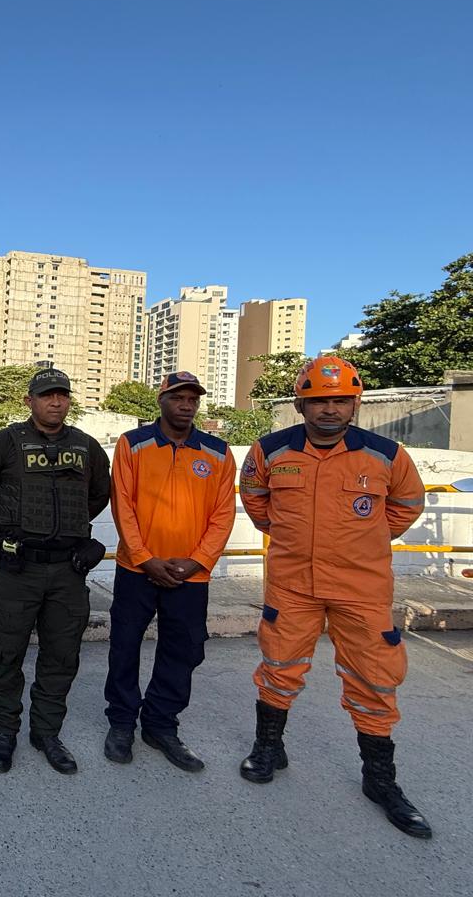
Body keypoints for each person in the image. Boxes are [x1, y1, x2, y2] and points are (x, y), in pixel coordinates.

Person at [238, 356, 431, 838]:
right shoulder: (268, 450)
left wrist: (361, 544)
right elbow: (255, 500)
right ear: (301, 403)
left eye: (340, 400)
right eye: (319, 400)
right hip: (292, 585)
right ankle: (269, 748)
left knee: (375, 680)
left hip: (361, 589)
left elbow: (407, 505)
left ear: (354, 403)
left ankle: (380, 780)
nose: (329, 409)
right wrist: (285, 533)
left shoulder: (388, 455)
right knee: (279, 667)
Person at [0, 365, 110, 775]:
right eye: (47, 395)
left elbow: (101, 492)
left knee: (61, 656)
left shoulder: (85, 446)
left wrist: (73, 526)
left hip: (68, 571)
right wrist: (3, 521)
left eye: (62, 395)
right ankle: (5, 731)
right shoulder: (6, 442)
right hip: (18, 568)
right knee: (7, 654)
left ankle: (46, 732)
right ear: (29, 401)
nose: (55, 402)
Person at [102, 371, 237, 771]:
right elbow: (122, 505)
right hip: (137, 570)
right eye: (178, 397)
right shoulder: (133, 444)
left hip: (190, 575)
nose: (186, 404)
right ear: (161, 400)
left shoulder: (217, 452)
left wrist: (198, 560)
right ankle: (122, 721)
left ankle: (161, 724)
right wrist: (145, 558)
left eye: (193, 399)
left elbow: (223, 513)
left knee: (185, 650)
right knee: (125, 646)